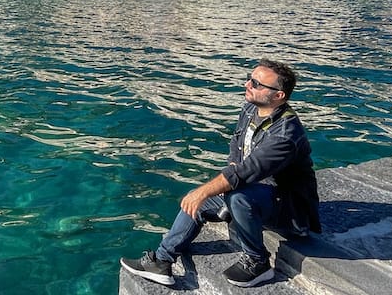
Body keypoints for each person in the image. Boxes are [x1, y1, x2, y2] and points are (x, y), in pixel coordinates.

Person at [120, 59, 320, 288]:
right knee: (200, 200)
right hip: (258, 193)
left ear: (279, 96)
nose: (248, 84)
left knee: (231, 196)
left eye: (256, 83)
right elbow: (236, 154)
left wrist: (206, 192)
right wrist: (206, 194)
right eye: (250, 78)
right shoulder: (250, 109)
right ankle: (163, 260)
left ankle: (258, 262)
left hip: (289, 211)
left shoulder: (286, 134)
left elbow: (246, 171)